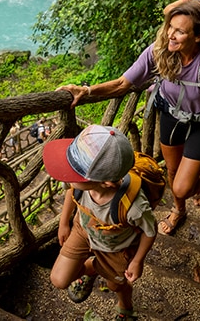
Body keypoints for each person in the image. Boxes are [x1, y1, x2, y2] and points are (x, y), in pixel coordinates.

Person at [58, 0, 200, 236]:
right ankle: (179, 211)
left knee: (181, 185)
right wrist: (86, 91)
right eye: (171, 27)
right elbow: (123, 84)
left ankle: (198, 181)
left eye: (180, 31)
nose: (171, 34)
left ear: (198, 36)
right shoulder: (158, 52)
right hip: (169, 113)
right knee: (171, 171)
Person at [43, 124, 156, 320]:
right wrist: (64, 222)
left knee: (115, 285)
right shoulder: (82, 186)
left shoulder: (133, 206)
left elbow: (150, 231)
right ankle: (95, 267)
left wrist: (138, 261)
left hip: (116, 248)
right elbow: (73, 191)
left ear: (106, 183)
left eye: (74, 173)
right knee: (59, 279)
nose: (67, 176)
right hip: (83, 231)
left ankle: (125, 307)